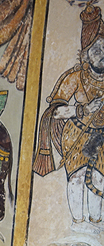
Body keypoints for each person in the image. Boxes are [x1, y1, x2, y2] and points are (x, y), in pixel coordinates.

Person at [35, 3, 104, 232]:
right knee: (76, 178)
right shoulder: (75, 76)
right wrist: (82, 110)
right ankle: (77, 224)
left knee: (99, 179)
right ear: (86, 51)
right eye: (96, 48)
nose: (101, 54)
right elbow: (55, 111)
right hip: (76, 133)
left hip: (102, 136)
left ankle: (96, 224)